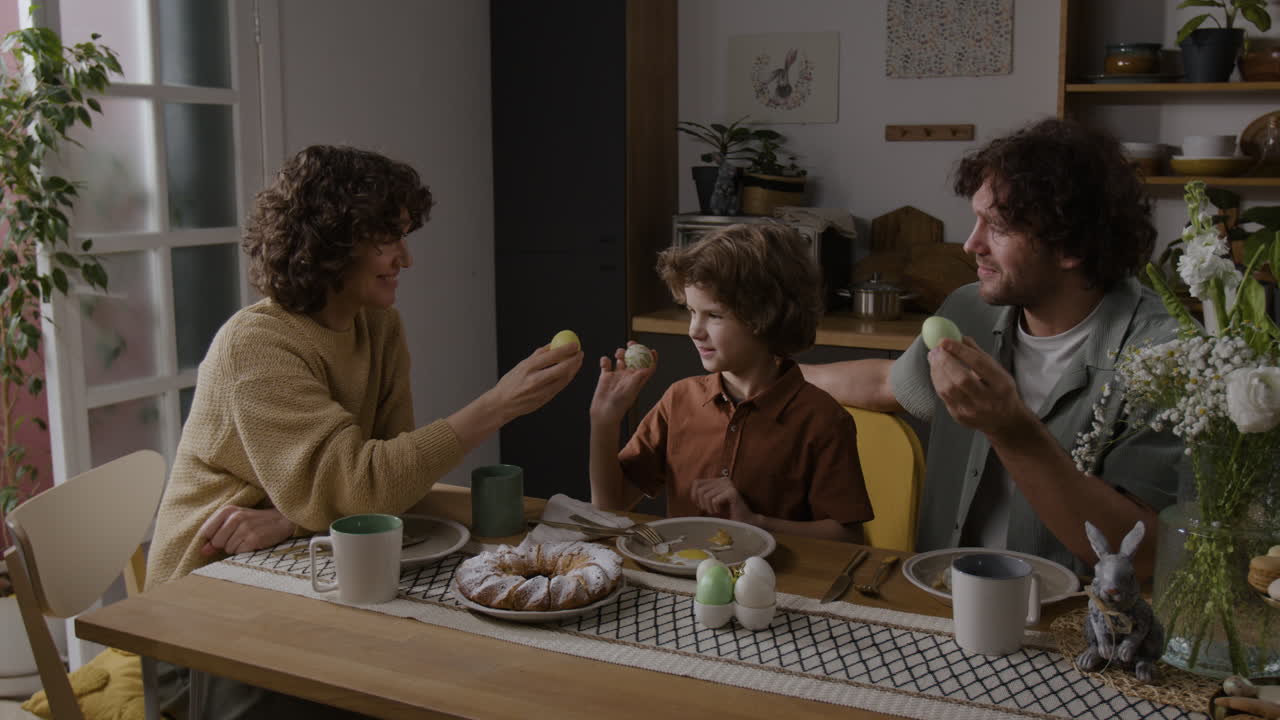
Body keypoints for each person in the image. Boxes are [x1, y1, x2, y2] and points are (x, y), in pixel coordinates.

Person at [147, 145, 583, 589]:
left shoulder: (379, 326)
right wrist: (498, 406)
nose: (406, 259)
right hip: (208, 574)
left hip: (302, 545)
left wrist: (291, 519)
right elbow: (364, 487)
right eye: (388, 239)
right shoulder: (256, 345)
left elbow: (392, 492)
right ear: (331, 241)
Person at [802, 117, 1185, 577]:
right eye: (977, 219)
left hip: (1073, 628)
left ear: (1072, 246)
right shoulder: (970, 311)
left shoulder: (1162, 356)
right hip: (945, 600)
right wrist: (770, 369)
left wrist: (1010, 430)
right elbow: (889, 382)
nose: (970, 244)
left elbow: (1143, 556)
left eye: (998, 228)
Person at [589, 223, 873, 542]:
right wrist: (604, 419)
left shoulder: (823, 420)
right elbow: (609, 507)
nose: (694, 330)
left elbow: (848, 538)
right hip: (684, 586)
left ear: (764, 317)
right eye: (692, 312)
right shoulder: (678, 400)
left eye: (714, 315)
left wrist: (757, 522)